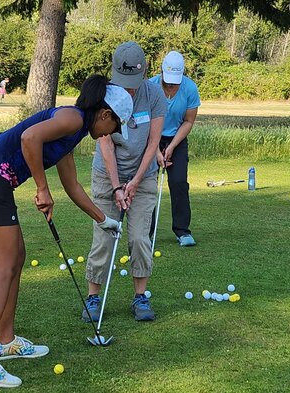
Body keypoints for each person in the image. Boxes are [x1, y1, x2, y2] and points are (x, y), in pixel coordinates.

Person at [0, 75, 132, 388]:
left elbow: (73, 186)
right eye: (116, 127)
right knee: (4, 265)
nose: (113, 133)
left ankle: (6, 340)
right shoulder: (71, 118)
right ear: (105, 115)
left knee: (17, 258)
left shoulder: (72, 133)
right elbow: (29, 139)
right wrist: (41, 187)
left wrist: (104, 219)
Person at [84, 41, 166, 323]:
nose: (129, 89)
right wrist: (118, 186)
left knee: (139, 237)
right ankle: (94, 298)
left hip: (143, 176)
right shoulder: (104, 96)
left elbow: (153, 141)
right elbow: (105, 142)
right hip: (107, 176)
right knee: (104, 236)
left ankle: (140, 297)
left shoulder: (154, 94)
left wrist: (136, 181)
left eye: (134, 82)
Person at [148, 51, 201, 247]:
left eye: (174, 81)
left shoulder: (190, 88)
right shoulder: (150, 87)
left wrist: (171, 147)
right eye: (167, 80)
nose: (170, 85)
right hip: (150, 137)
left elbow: (188, 122)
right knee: (148, 184)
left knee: (179, 182)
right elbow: (145, 122)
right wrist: (155, 150)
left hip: (177, 138)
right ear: (161, 72)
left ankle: (182, 231)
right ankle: (145, 232)